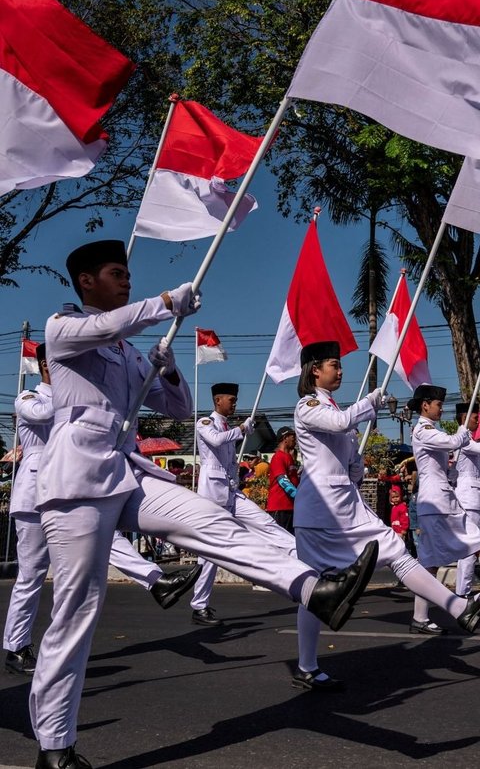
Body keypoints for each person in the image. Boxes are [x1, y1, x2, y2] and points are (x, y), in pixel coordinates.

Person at [30, 240, 379, 769]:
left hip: (126, 472)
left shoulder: (125, 350)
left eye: (128, 274)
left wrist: (166, 371)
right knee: (76, 613)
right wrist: (165, 303)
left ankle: (314, 589)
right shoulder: (63, 328)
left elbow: (173, 408)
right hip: (75, 481)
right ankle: (54, 746)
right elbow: (105, 327)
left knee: (210, 520)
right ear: (85, 282)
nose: (127, 280)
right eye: (116, 273)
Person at [292, 342, 480, 693]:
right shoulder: (308, 406)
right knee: (315, 588)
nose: (341, 370)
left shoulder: (332, 407)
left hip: (345, 506)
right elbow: (341, 422)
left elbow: (345, 459)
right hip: (319, 512)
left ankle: (458, 607)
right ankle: (306, 665)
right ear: (315, 370)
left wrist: (355, 463)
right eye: (335, 364)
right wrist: (371, 401)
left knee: (396, 551)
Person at [3, 344, 201, 677]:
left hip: (70, 488)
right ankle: (16, 646)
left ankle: (156, 581)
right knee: (31, 575)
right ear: (45, 365)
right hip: (33, 497)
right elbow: (46, 415)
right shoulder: (28, 398)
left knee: (108, 537)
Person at [191, 385, 298, 624]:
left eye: (236, 399)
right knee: (210, 552)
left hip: (231, 492)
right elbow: (216, 441)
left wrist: (240, 433)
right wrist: (241, 430)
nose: (235, 403)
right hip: (212, 496)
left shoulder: (228, 427)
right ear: (218, 400)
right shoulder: (205, 424)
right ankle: (199, 606)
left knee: (266, 524)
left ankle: (306, 561)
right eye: (231, 399)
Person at [409, 385, 480, 633]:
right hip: (436, 504)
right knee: (435, 559)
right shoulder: (423, 430)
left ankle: (420, 617)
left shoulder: (430, 429)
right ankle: (459, 604)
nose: (441, 408)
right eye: (438, 404)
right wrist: (462, 433)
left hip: (441, 502)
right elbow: (451, 442)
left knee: (430, 562)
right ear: (425, 405)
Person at [452, 402, 480, 598]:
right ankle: (463, 592)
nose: (478, 419)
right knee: (471, 546)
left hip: (474, 496)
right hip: (469, 498)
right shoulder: (463, 440)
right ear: (464, 417)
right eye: (475, 416)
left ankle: (463, 591)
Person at [266, 426, 299, 533]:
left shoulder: (289, 457)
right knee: (281, 544)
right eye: (293, 437)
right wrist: (300, 497)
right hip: (280, 508)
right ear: (285, 438)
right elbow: (283, 481)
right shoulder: (278, 457)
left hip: (290, 508)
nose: (295, 440)